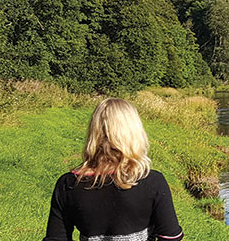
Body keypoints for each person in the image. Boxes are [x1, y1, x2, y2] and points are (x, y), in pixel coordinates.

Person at [43, 98, 184, 241]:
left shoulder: (68, 184)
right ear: (134, 133)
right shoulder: (152, 182)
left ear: (94, 132)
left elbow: (56, 238)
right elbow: (170, 236)